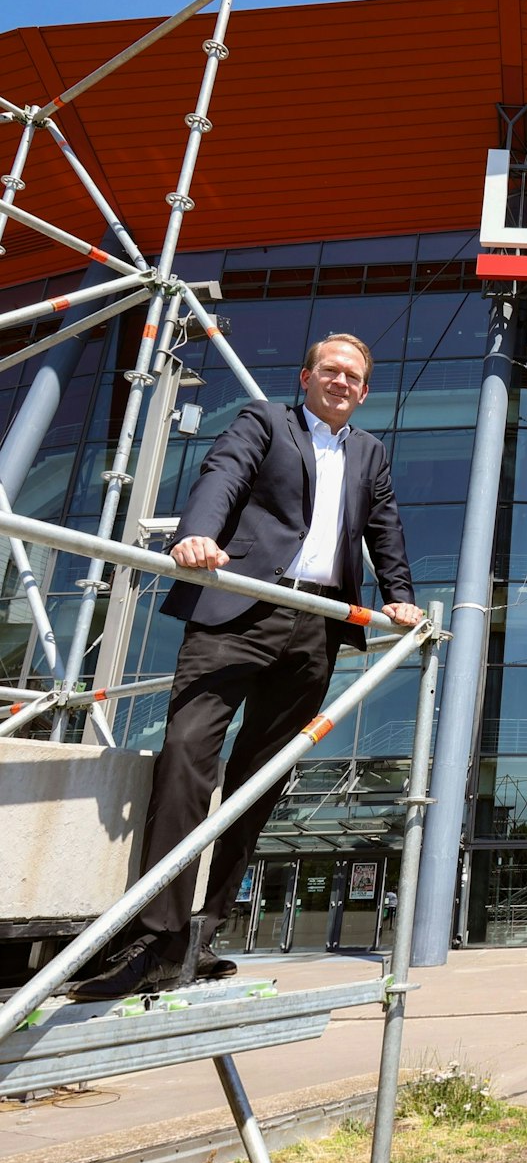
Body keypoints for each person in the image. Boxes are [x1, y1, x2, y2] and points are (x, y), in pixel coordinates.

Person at [74, 334, 422, 1000]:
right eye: (330, 370)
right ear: (306, 377)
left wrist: (399, 596)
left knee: (260, 780)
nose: (341, 382)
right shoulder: (266, 421)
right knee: (187, 754)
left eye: (353, 376)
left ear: (364, 390)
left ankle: (203, 934)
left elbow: (385, 527)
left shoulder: (370, 452)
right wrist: (195, 534)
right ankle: (155, 936)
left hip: (317, 625)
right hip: (237, 608)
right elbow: (223, 475)